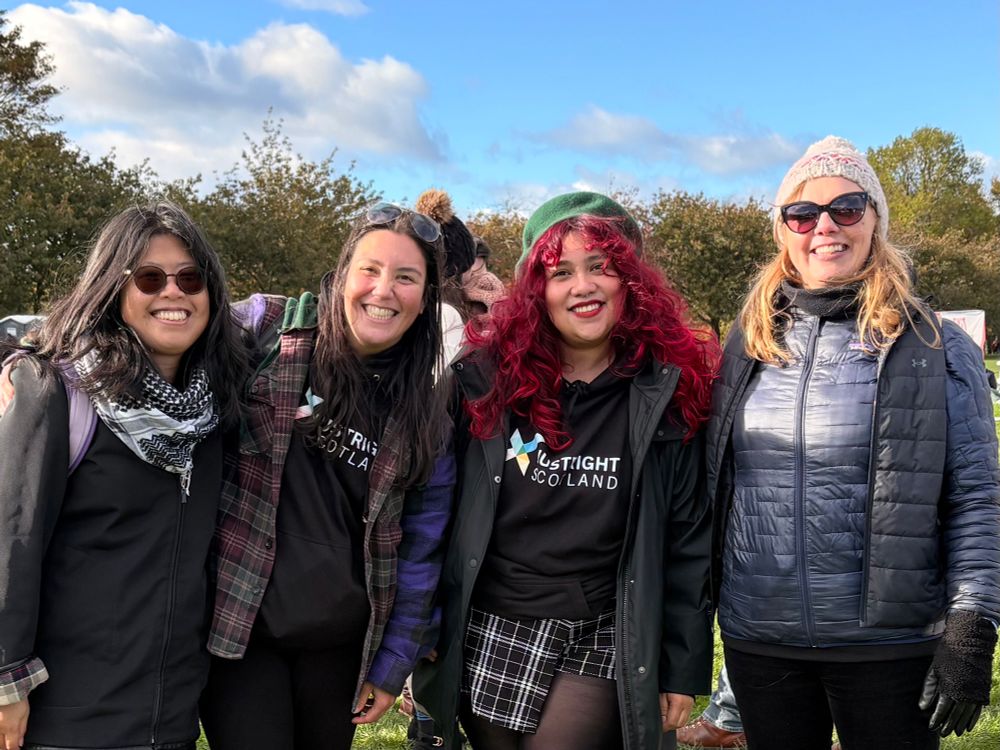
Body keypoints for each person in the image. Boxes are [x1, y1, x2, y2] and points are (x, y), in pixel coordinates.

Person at [709, 136, 1000, 750]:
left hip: (889, 645)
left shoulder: (936, 346)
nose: (824, 227)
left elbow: (975, 496)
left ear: (875, 222)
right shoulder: (747, 344)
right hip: (760, 640)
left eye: (847, 207)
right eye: (802, 213)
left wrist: (972, 624)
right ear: (783, 229)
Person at [415, 191, 718, 750]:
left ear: (631, 282)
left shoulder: (667, 394)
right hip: (489, 623)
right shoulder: (482, 382)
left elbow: (687, 541)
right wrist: (420, 623)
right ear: (537, 290)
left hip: (603, 626)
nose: (583, 286)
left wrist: (682, 662)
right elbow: (432, 510)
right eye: (560, 273)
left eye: (601, 268)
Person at [199, 201, 456, 750]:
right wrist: (35, 365)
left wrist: (391, 664)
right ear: (341, 276)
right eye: (370, 269)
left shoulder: (427, 415)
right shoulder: (268, 329)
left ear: (424, 300)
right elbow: (161, 327)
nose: (383, 290)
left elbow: (421, 553)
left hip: (341, 649)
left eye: (406, 277)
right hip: (243, 633)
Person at [0, 201, 245, 750]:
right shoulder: (53, 392)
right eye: (149, 278)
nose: (173, 292)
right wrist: (5, 683)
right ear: (114, 288)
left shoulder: (211, 411)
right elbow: (10, 541)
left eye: (191, 277)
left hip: (171, 718)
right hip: (65, 720)